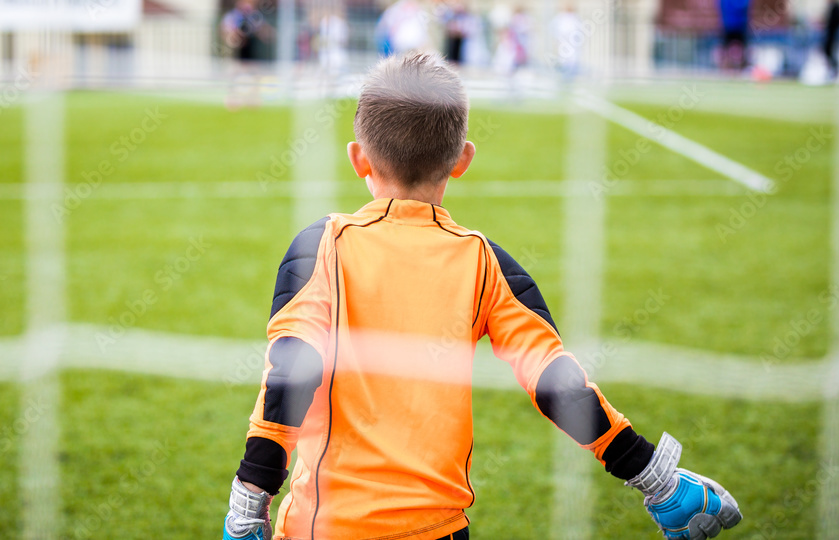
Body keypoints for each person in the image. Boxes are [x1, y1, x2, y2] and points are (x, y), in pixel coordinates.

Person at [222, 52, 743, 540]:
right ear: (462, 159)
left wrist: (249, 501)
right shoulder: (484, 261)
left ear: (358, 158)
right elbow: (556, 381)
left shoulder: (322, 246)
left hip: (327, 527)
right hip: (440, 529)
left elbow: (291, 369)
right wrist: (658, 482)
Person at [822, 0, 839, 80]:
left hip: (834, 35)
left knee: (831, 52)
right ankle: (832, 70)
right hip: (831, 34)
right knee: (829, 52)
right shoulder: (834, 7)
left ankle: (835, 71)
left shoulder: (837, 7)